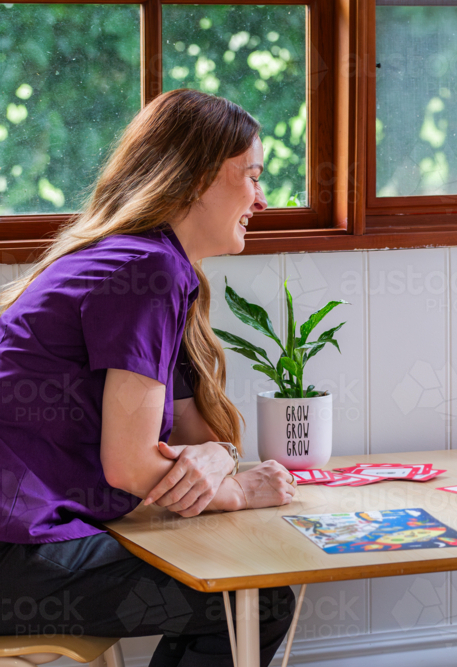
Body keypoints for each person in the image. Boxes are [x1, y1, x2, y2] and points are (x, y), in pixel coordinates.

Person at [0, 89, 298, 667]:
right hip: (11, 557)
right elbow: (132, 466)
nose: (261, 201)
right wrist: (235, 487)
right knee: (254, 600)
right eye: (253, 176)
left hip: (19, 545)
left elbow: (191, 437)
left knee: (234, 579)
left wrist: (217, 459)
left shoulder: (140, 264)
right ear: (198, 180)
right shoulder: (147, 270)